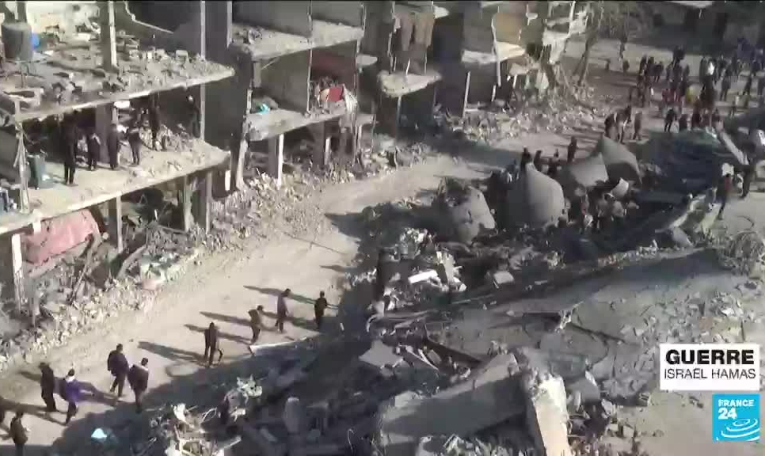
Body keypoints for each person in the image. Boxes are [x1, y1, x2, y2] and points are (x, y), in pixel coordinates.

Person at [62, 117, 77, 185]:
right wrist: (73, 157)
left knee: (66, 167)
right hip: (70, 154)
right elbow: (71, 150)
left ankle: (66, 180)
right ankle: (71, 181)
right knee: (72, 167)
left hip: (65, 154)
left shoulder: (65, 129)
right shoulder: (72, 139)